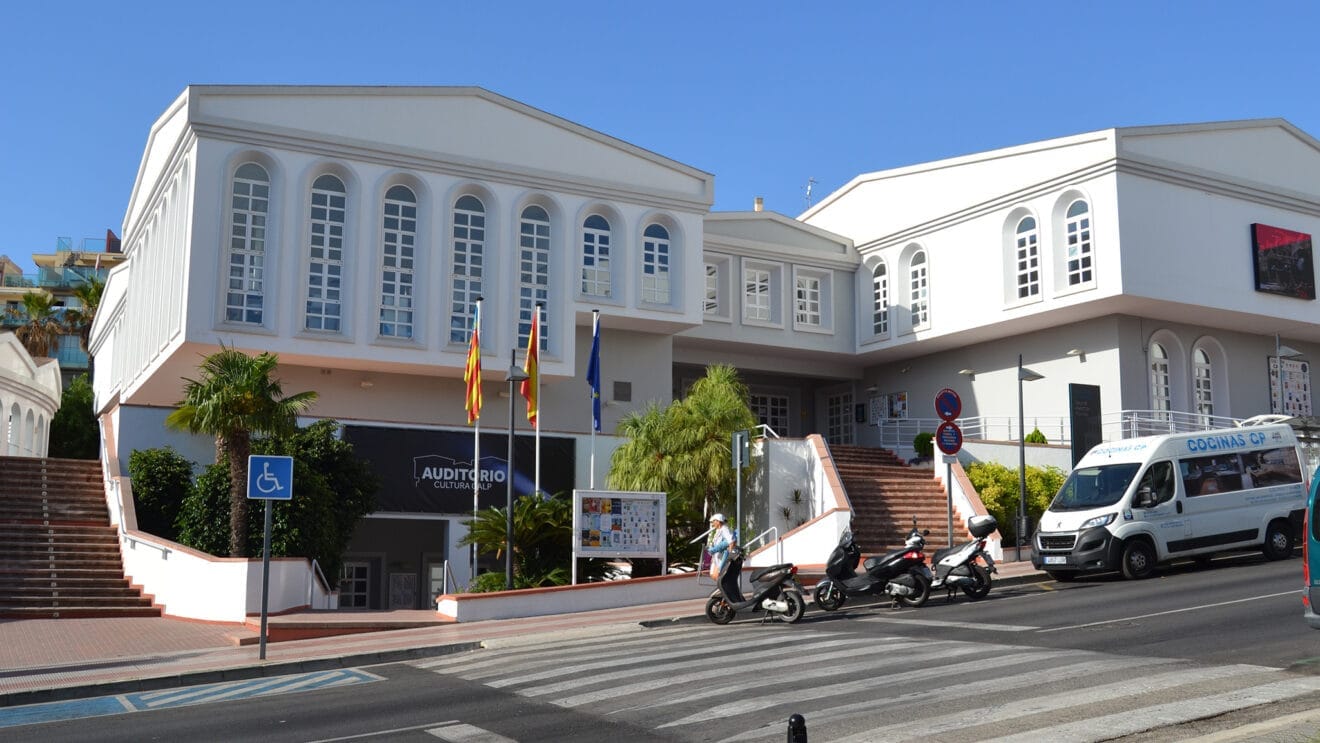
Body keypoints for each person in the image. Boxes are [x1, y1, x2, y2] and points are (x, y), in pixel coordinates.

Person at [707, 513, 735, 580]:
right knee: (713, 575)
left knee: (718, 577)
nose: (712, 523)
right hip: (717, 557)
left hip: (722, 556)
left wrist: (730, 554)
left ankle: (724, 589)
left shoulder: (724, 529)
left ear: (718, 521)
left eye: (714, 521)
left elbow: (731, 541)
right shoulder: (718, 530)